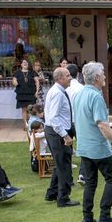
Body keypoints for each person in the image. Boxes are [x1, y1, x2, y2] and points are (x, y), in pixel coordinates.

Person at [74, 62, 112, 222]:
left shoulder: (79, 94)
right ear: (96, 77)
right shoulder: (96, 96)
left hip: (84, 147)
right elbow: (102, 125)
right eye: (102, 73)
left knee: (90, 182)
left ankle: (87, 217)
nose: (104, 75)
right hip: (98, 148)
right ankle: (104, 216)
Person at [44, 67, 78, 208]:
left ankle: (52, 193)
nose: (70, 78)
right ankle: (63, 198)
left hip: (54, 131)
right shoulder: (57, 93)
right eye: (68, 75)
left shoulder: (57, 91)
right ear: (60, 78)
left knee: (60, 163)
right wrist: (65, 136)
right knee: (64, 165)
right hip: (57, 132)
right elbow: (54, 117)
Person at [12, 59, 39, 130]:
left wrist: (37, 91)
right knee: (24, 110)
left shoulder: (32, 72)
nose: (25, 63)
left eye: (26, 62)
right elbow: (14, 80)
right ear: (21, 64)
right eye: (23, 62)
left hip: (31, 93)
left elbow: (37, 82)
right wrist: (15, 82)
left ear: (28, 64)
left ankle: (31, 124)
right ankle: (25, 125)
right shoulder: (17, 73)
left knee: (31, 110)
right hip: (21, 94)